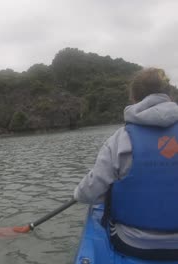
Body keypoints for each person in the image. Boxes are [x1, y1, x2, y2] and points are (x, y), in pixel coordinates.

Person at [74, 68, 178, 260]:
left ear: (134, 98)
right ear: (169, 95)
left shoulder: (120, 139)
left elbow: (87, 194)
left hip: (133, 243)